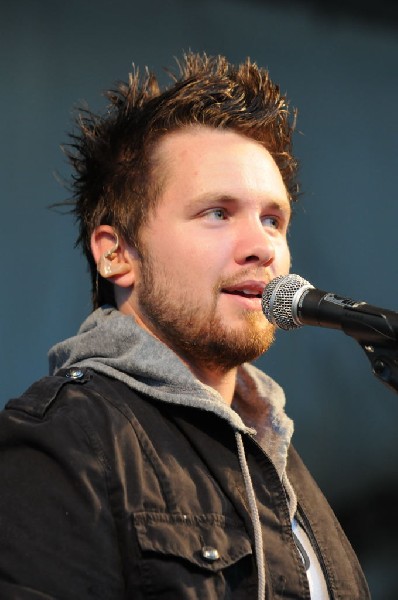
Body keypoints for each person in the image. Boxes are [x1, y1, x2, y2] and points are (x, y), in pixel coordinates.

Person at [0, 52, 370, 599]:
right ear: (116, 254)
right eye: (217, 213)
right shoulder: (63, 442)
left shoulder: (278, 463)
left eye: (273, 219)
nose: (262, 247)